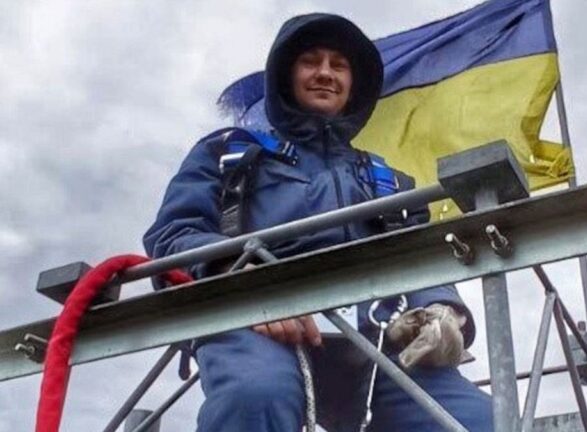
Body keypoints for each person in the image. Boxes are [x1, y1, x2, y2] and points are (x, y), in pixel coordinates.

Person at [144, 13, 493, 432]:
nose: (325, 73)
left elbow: (419, 253)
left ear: (353, 82)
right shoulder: (225, 153)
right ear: (286, 75)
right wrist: (242, 279)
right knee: (255, 397)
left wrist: (442, 308)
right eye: (311, 61)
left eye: (339, 65)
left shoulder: (389, 178)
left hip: (377, 335)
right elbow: (173, 236)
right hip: (257, 325)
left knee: (478, 420)